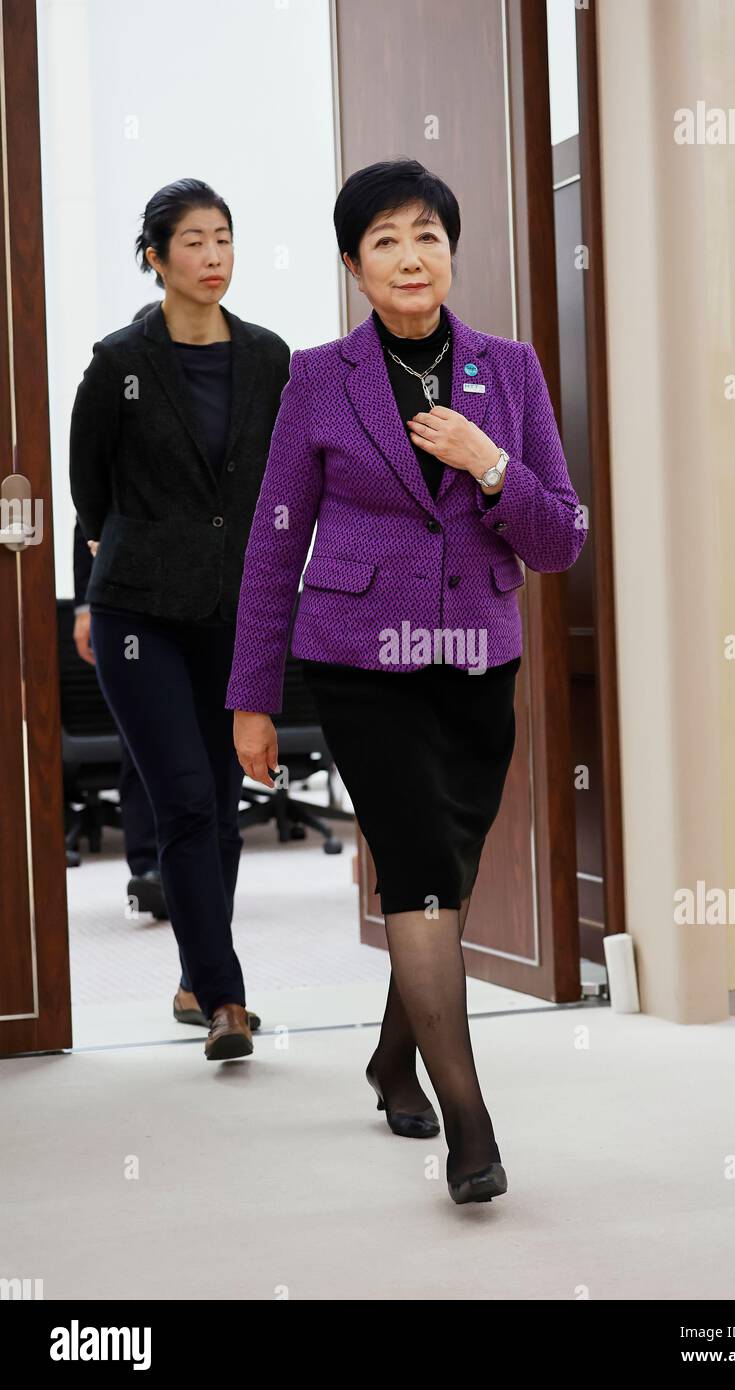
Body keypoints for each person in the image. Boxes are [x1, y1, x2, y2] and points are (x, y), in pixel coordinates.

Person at [225, 158, 588, 1203]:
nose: (408, 255)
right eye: (383, 239)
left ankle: (391, 1059)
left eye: (424, 233)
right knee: (420, 875)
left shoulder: (508, 371)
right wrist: (253, 694)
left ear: (450, 251)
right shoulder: (316, 378)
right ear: (353, 265)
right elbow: (271, 541)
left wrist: (488, 464)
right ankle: (469, 1127)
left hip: (476, 659)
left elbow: (558, 536)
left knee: (449, 880)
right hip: (358, 663)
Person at [69, 178, 291, 1057]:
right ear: (156, 258)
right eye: (193, 242)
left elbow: (286, 479)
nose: (213, 258)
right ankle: (227, 1002)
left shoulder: (271, 358)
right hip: (140, 610)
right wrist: (97, 589)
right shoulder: (119, 361)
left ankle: (199, 976)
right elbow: (91, 494)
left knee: (224, 806)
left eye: (224, 240)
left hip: (235, 606)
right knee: (187, 801)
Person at [72, 304, 169, 928]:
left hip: (208, 605)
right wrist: (87, 606)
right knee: (144, 742)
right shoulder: (114, 421)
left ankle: (199, 869)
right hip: (131, 605)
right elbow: (89, 519)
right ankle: (149, 869)